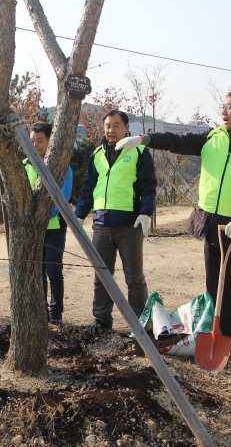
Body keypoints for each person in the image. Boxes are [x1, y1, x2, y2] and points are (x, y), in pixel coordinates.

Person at [117, 90, 231, 364]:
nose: (224, 111)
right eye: (223, 106)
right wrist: (144, 139)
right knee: (216, 286)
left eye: (230, 107)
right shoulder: (212, 138)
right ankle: (226, 334)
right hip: (212, 224)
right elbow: (177, 141)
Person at [75, 110, 157, 333]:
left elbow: (148, 185)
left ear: (126, 127)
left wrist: (145, 212)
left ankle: (140, 321)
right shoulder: (97, 154)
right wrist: (80, 214)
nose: (111, 130)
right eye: (108, 126)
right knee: (102, 274)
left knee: (134, 277)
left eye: (116, 125)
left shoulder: (139, 151)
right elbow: (88, 187)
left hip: (129, 224)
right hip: (101, 224)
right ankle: (102, 321)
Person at [26, 122, 73, 325]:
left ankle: (56, 312)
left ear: (49, 141)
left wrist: (44, 215)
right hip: (31, 229)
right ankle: (40, 311)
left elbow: (64, 195)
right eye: (32, 141)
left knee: (53, 271)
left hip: (54, 227)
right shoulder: (24, 165)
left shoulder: (61, 166)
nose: (35, 145)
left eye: (40, 140)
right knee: (36, 272)